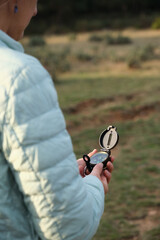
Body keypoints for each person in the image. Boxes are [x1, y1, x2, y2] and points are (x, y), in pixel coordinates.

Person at [0, 0, 114, 239]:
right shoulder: (18, 77)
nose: (36, 10)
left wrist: (61, 176)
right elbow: (66, 227)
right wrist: (93, 186)